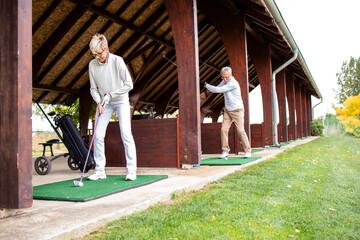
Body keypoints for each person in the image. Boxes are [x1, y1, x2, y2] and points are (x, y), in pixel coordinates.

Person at [88, 33, 137, 181]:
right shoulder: (92, 65)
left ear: (106, 49)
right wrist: (98, 101)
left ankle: (132, 170)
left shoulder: (117, 61)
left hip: (121, 100)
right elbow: (93, 89)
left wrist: (111, 94)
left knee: (125, 133)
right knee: (98, 135)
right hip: (104, 102)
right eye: (94, 54)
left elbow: (129, 84)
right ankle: (99, 170)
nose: (97, 57)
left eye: (99, 53)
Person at [201, 66, 252, 159]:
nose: (225, 79)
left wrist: (205, 84)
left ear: (231, 75)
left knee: (241, 130)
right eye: (223, 77)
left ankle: (248, 151)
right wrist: (206, 85)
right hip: (227, 110)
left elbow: (218, 90)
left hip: (237, 110)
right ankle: (225, 151)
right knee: (223, 130)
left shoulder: (233, 83)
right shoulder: (225, 81)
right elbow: (215, 89)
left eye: (227, 77)